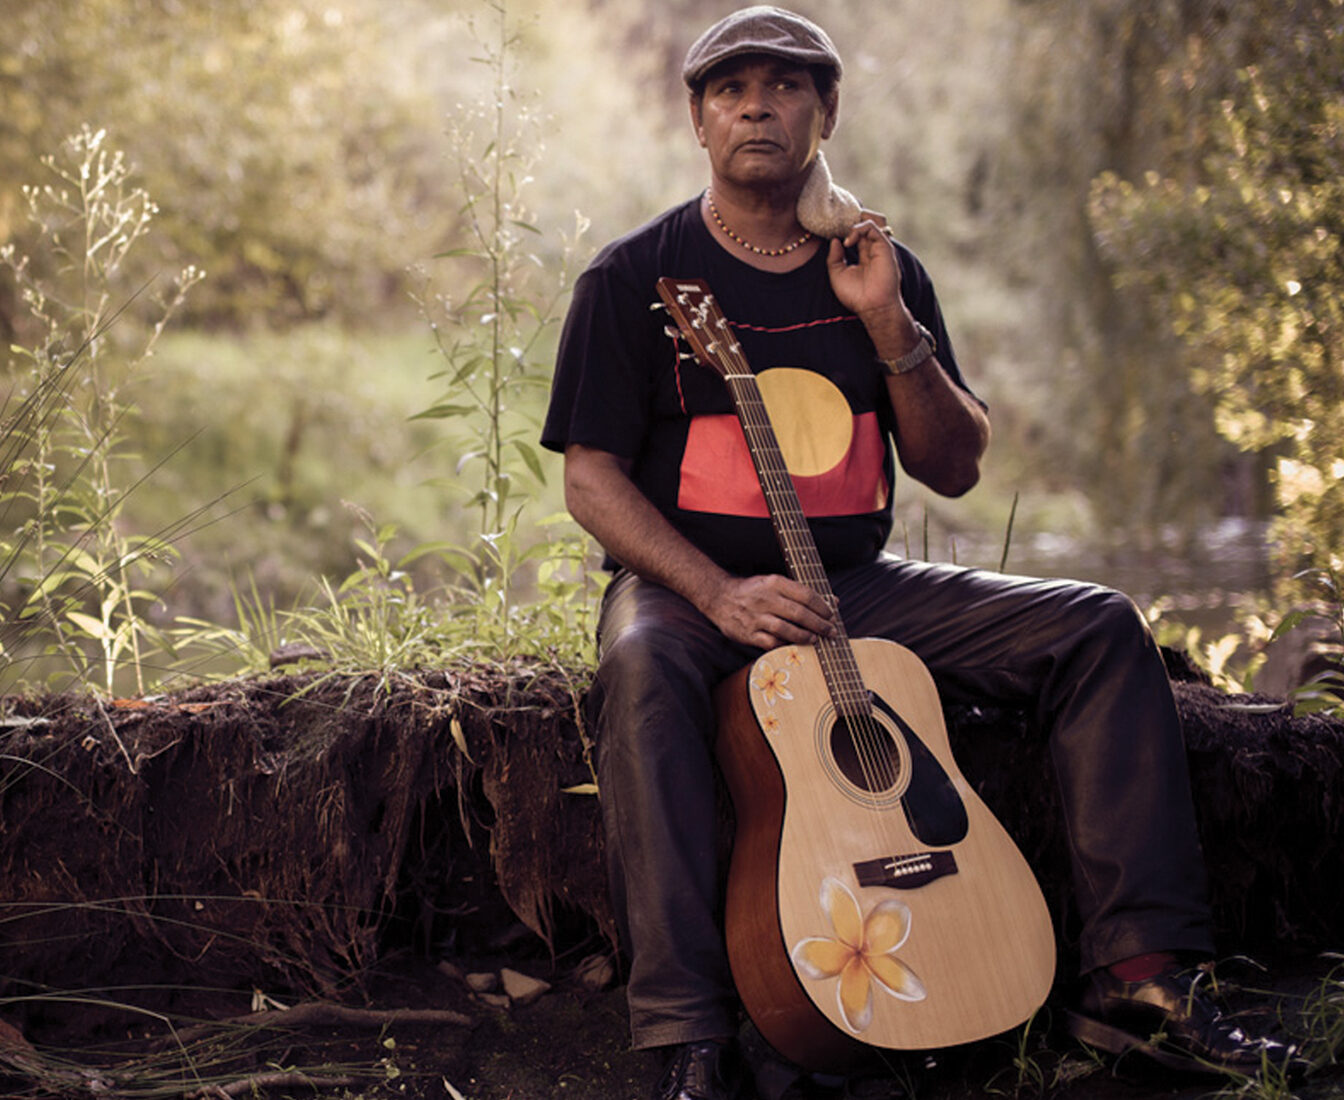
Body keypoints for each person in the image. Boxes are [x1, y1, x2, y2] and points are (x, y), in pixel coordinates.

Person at [540, 7, 1300, 1099]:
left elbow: (952, 465)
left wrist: (889, 324)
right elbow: (590, 478)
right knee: (641, 671)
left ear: (825, 111)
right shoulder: (632, 278)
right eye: (730, 88)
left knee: (1096, 626)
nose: (757, 103)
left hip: (855, 584)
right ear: (697, 120)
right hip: (686, 589)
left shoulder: (875, 264)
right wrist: (712, 589)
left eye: (786, 85)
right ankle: (688, 1039)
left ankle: (1142, 983)